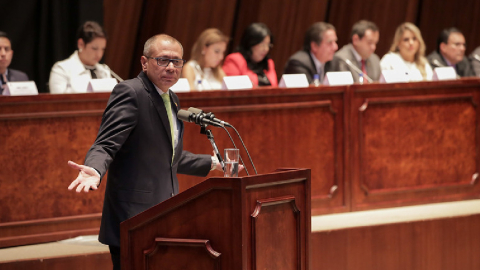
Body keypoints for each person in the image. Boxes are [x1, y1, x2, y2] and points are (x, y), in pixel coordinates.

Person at [67, 34, 223, 270]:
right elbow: (106, 144)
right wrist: (96, 169)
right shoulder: (130, 92)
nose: (171, 67)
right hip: (134, 218)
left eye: (177, 62)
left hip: (164, 215)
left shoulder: (172, 99)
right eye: (163, 60)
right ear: (144, 62)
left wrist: (213, 163)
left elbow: (167, 157)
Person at [49, 21, 112, 94]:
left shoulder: (104, 71)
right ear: (81, 44)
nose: (99, 54)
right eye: (94, 48)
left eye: (103, 49)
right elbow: (59, 103)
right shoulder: (61, 69)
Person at [223, 23, 277, 87]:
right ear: (250, 43)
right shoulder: (235, 60)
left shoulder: (269, 63)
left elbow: (275, 88)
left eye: (268, 45)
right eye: (262, 44)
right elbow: (232, 90)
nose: (266, 49)